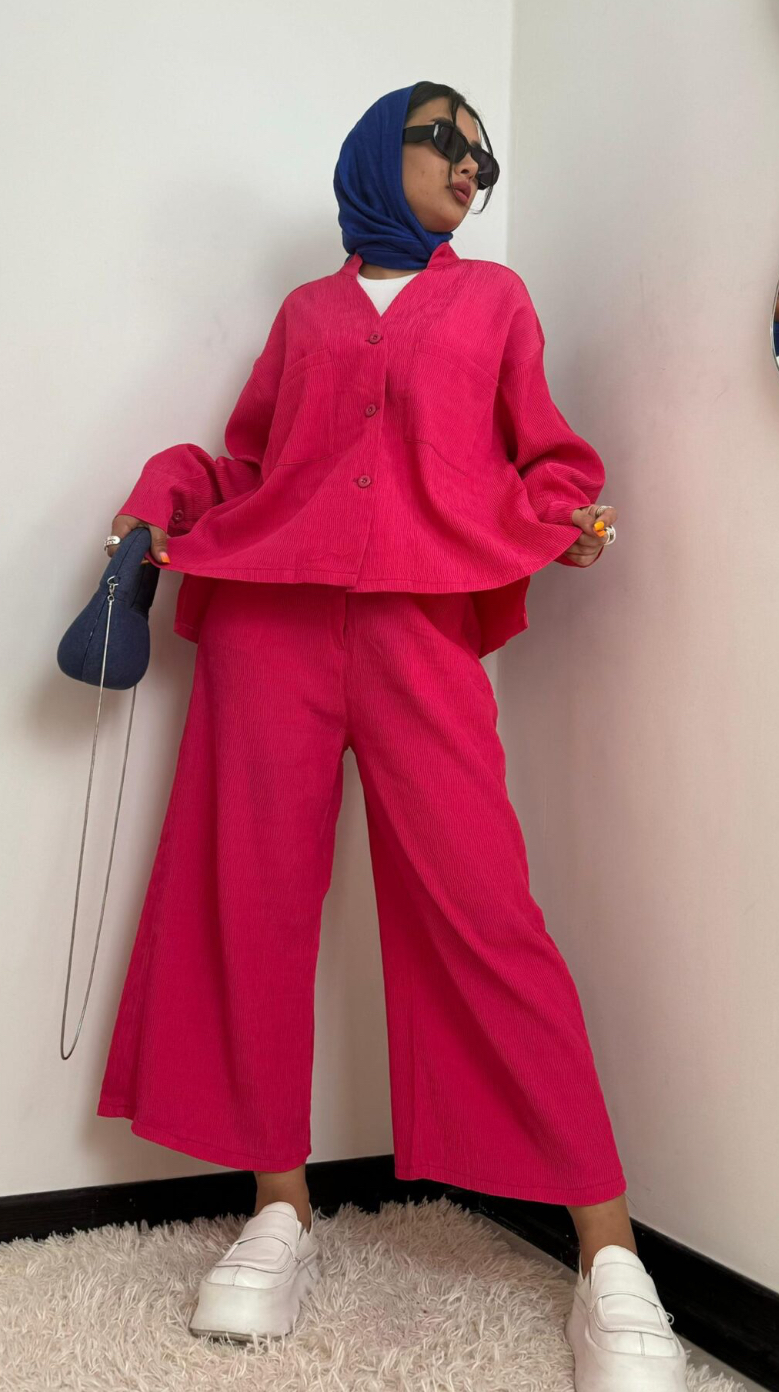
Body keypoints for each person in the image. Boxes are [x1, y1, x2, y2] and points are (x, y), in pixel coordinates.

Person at [96, 82, 688, 1389]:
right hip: (271, 633)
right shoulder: (306, 317)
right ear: (379, 152)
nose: (472, 166)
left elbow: (548, 455)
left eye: (486, 154)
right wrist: (164, 493)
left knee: (487, 912)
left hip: (421, 632)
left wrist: (565, 514)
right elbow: (255, 470)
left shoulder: (495, 303)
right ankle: (280, 1206)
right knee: (250, 906)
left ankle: (607, 1250)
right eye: (447, 140)